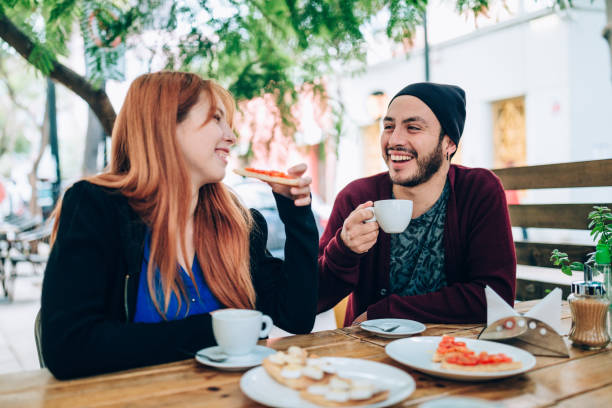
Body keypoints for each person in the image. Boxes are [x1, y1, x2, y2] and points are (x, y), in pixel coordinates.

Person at [41, 71, 319, 380]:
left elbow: (297, 317)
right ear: (166, 125)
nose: (231, 136)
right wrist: (211, 329)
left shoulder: (238, 223)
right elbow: (68, 348)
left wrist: (297, 214)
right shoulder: (97, 209)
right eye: (216, 119)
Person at [317, 82, 516, 326]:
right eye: (388, 126)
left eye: (413, 128)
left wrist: (388, 311)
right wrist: (344, 249)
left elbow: (495, 297)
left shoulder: (478, 191)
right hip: (371, 353)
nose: (395, 139)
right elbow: (314, 299)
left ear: (449, 143)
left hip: (456, 353)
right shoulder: (357, 197)